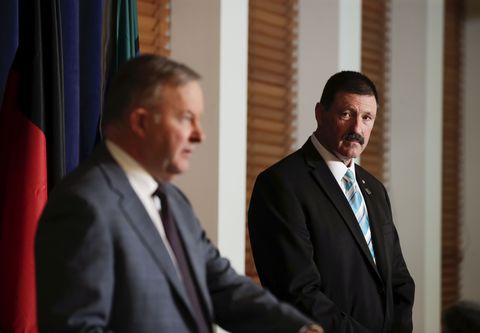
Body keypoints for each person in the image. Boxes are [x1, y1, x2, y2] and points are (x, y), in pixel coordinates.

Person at [35, 54, 323, 333]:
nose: (200, 135)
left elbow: (221, 285)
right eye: (187, 118)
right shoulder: (84, 204)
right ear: (141, 122)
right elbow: (77, 327)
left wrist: (300, 329)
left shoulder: (172, 200)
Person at [248, 71, 415, 333]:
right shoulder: (281, 185)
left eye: (367, 118)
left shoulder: (375, 189)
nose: (357, 129)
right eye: (346, 114)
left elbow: (399, 279)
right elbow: (298, 292)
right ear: (319, 113)